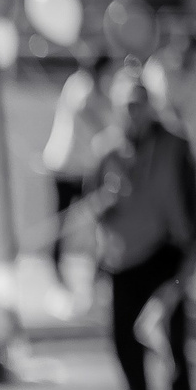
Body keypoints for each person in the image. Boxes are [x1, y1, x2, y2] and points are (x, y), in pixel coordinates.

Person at [88, 64, 196, 390]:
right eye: (127, 105)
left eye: (140, 104)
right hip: (123, 259)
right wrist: (106, 203)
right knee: (124, 344)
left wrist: (189, 255)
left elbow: (190, 204)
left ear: (151, 106)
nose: (133, 111)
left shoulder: (174, 144)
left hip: (166, 256)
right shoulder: (107, 150)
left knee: (171, 345)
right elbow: (94, 209)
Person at [41, 54, 116, 294]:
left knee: (95, 220)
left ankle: (97, 271)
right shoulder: (82, 85)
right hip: (67, 166)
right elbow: (84, 111)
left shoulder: (93, 87)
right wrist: (105, 133)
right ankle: (56, 269)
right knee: (63, 221)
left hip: (82, 167)